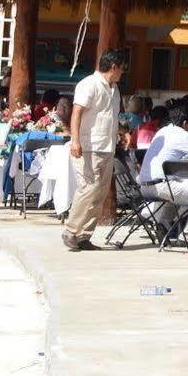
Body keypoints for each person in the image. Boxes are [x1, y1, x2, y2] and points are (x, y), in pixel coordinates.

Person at [62, 49, 128, 252]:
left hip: (107, 145)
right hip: (88, 145)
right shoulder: (89, 84)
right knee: (88, 188)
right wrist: (75, 141)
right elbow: (77, 113)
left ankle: (84, 236)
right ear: (114, 67)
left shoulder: (114, 88)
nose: (122, 73)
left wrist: (123, 132)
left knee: (99, 192)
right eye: (121, 69)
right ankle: (71, 230)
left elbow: (112, 115)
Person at [138, 104, 188, 242]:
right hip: (161, 187)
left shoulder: (163, 131)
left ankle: (164, 224)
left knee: (175, 190)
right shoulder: (183, 135)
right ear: (185, 123)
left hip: (144, 185)